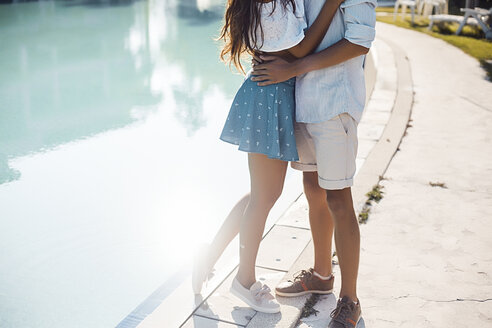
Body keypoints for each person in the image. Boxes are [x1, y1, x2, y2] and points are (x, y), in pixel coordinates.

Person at [192, 0, 344, 314]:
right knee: (264, 196)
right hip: (269, 96)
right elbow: (300, 51)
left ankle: (209, 257)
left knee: (260, 195)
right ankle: (244, 281)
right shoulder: (272, 3)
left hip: (273, 94)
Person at [250, 0, 376, 325]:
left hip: (336, 102)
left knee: (338, 197)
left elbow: (360, 41)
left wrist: (293, 67)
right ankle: (322, 275)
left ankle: (350, 299)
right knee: (312, 189)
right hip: (303, 101)